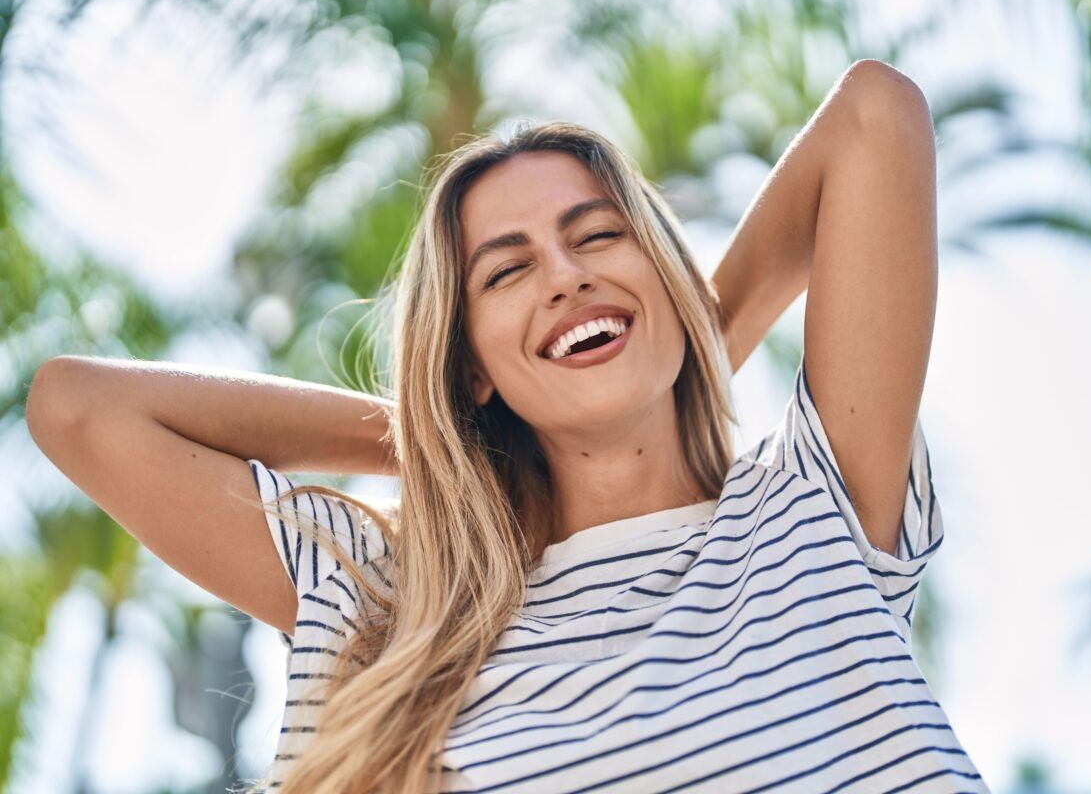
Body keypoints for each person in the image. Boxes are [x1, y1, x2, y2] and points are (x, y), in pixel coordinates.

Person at [27, 60, 991, 793]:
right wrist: (448, 434)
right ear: (471, 364)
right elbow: (77, 407)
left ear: (663, 270)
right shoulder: (392, 603)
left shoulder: (812, 509)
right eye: (508, 269)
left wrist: (692, 344)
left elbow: (874, 113)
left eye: (598, 235)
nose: (566, 274)